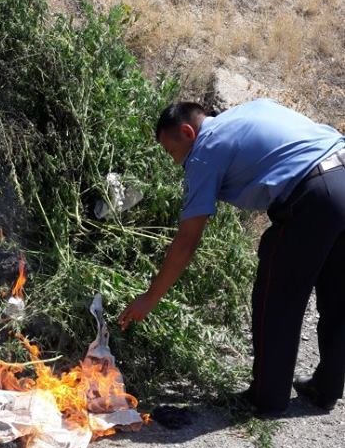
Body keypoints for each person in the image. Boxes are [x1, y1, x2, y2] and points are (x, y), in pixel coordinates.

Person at [119, 98, 345, 415]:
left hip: (313, 195)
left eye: (171, 152)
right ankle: (326, 388)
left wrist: (150, 297)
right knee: (338, 297)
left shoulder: (203, 151)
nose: (175, 162)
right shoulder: (244, 112)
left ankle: (266, 399)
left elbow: (187, 241)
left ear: (187, 132)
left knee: (276, 298)